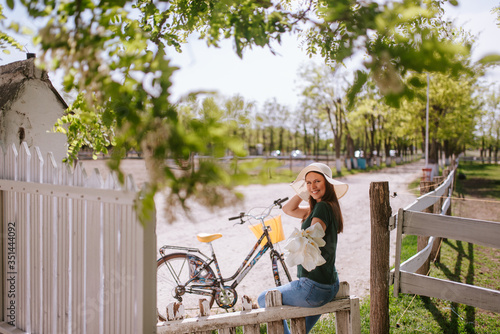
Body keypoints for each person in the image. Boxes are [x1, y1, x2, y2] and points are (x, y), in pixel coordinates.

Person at [257, 162, 348, 334]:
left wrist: (295, 245)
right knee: (299, 332)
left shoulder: (322, 207)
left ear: (327, 184)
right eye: (308, 182)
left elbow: (311, 238)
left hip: (313, 287)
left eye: (317, 182)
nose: (312, 186)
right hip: (329, 285)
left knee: (263, 298)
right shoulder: (324, 207)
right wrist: (306, 192)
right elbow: (288, 209)